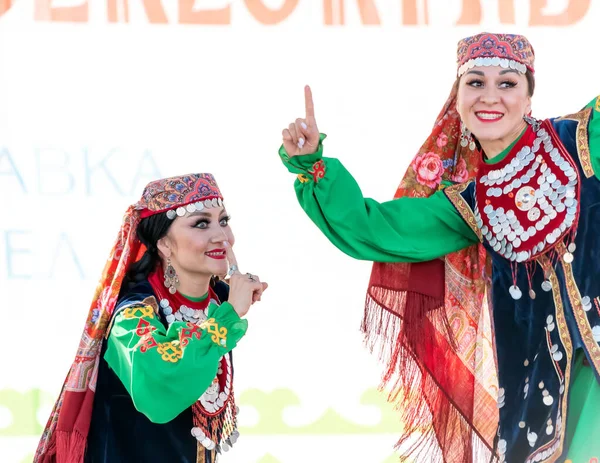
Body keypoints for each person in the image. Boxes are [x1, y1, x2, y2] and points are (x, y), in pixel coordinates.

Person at [279, 32, 600, 462]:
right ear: (458, 99)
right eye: (475, 83)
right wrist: (312, 162)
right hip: (548, 393)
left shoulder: (581, 141)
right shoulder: (469, 204)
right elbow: (374, 229)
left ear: (529, 98)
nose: (491, 97)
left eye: (507, 83)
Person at [35, 173, 267, 463]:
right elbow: (160, 385)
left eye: (223, 220)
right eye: (201, 223)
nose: (221, 235)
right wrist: (227, 318)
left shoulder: (218, 299)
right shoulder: (133, 312)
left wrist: (229, 308)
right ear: (164, 244)